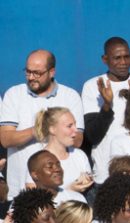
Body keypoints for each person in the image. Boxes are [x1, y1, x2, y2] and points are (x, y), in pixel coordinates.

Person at [0, 49, 84, 196]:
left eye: (37, 73)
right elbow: (6, 139)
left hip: (64, 190)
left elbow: (77, 141)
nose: (31, 77)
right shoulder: (14, 94)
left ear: (52, 72)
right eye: (28, 72)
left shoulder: (70, 96)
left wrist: (54, 129)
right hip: (20, 191)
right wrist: (37, 129)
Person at [81, 37, 130, 181]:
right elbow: (92, 136)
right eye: (117, 58)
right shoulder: (92, 86)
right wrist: (107, 105)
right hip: (106, 175)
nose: (123, 63)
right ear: (105, 59)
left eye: (126, 57)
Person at [33, 107, 93, 193]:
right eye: (69, 126)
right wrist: (70, 190)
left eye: (75, 125)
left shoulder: (80, 155)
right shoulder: (37, 161)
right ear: (52, 129)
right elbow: (34, 200)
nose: (76, 130)